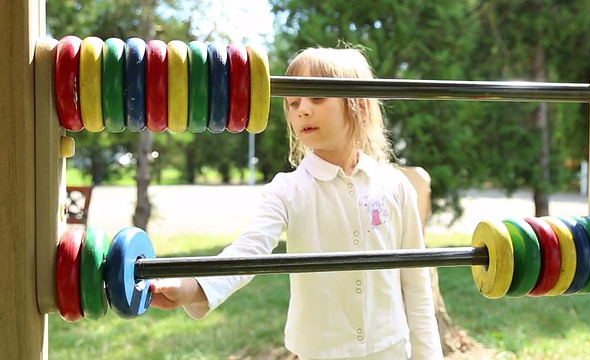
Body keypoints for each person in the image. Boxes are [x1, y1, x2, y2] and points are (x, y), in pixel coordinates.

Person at [150, 46, 444, 360]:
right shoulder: (287, 189)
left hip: (391, 350)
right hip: (320, 352)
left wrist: (429, 356)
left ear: (359, 104)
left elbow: (416, 283)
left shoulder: (394, 185)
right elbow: (250, 250)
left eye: (316, 97)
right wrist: (193, 286)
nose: (302, 109)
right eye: (293, 102)